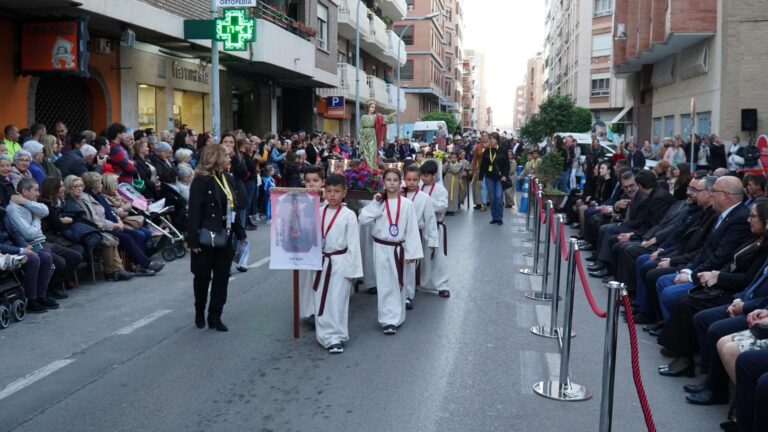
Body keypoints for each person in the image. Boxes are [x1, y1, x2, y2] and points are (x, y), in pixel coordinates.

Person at [187, 144, 247, 332]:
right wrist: (192, 240)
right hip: (206, 236)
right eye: (227, 156)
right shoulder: (201, 181)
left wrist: (240, 233)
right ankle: (199, 311)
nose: (230, 160)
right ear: (217, 159)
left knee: (222, 278)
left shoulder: (227, 178)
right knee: (202, 277)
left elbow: (233, 208)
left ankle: (215, 316)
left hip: (225, 234)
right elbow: (194, 212)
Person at [359, 168, 423, 334]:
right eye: (389, 180)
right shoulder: (379, 203)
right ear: (383, 182)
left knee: (398, 282)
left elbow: (411, 230)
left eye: (395, 180)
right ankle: (387, 320)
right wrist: (375, 203)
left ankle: (396, 317)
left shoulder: (407, 204)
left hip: (398, 248)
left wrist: (412, 253)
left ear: (400, 182)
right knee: (384, 283)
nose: (392, 183)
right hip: (381, 247)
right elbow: (363, 219)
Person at [5, 177, 82, 298]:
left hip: (43, 241)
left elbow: (45, 211)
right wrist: (36, 219)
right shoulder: (14, 209)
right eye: (35, 190)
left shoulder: (29, 202)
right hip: (32, 245)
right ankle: (44, 292)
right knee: (58, 262)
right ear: (25, 191)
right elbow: (29, 234)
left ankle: (52, 286)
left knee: (75, 257)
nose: (38, 193)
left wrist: (26, 202)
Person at [311, 174, 363, 354]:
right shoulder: (318, 211)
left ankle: (336, 336)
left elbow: (354, 245)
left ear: (344, 193)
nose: (332, 195)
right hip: (321, 261)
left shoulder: (349, 215)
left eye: (337, 191)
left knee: (337, 300)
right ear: (324, 191)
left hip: (340, 262)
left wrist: (354, 272)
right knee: (321, 299)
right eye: (329, 191)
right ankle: (324, 335)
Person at [402, 165, 438, 310]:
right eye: (408, 179)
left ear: (419, 181)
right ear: (404, 179)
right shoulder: (398, 194)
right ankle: (396, 293)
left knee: (410, 265)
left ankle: (408, 296)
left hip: (415, 233)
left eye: (415, 180)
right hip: (397, 235)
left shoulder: (424, 198)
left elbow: (430, 219)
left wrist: (432, 240)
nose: (411, 183)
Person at [299, 166, 326, 324]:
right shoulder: (301, 200)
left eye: (315, 181)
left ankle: (323, 310)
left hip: (327, 248)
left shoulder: (330, 201)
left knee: (324, 280)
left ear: (323, 182)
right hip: (309, 247)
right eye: (308, 181)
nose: (311, 184)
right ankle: (310, 311)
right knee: (310, 279)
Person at [419, 160, 450, 297]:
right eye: (422, 175)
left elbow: (442, 206)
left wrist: (426, 201)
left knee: (437, 256)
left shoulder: (440, 190)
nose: (423, 178)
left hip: (436, 227)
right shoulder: (419, 186)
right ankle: (421, 282)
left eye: (426, 176)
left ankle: (442, 285)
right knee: (421, 256)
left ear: (434, 175)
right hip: (420, 226)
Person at [478, 132, 510, 225]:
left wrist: (505, 175)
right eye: (490, 138)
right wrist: (480, 179)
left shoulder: (503, 150)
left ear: (497, 140)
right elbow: (483, 166)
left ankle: (499, 217)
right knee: (492, 198)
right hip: (489, 177)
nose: (491, 140)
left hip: (500, 178)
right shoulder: (487, 151)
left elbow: (507, 165)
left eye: (493, 138)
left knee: (499, 197)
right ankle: (494, 217)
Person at [359, 101, 395, 168]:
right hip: (365, 135)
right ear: (368, 108)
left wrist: (393, 114)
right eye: (372, 107)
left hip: (372, 134)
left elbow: (384, 119)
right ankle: (366, 167)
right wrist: (361, 137)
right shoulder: (363, 117)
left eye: (374, 107)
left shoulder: (376, 116)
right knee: (366, 152)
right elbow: (361, 128)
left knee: (372, 152)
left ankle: (372, 168)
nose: (373, 108)